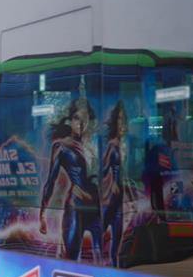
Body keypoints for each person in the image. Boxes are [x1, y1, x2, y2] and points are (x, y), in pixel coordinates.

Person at [39, 98, 101, 262]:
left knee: (102, 260)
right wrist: (43, 214)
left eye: (85, 119)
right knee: (71, 259)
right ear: (70, 120)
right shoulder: (62, 146)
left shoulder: (94, 146)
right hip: (76, 207)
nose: (81, 123)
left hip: (97, 208)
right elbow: (50, 181)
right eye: (77, 119)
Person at [101, 101, 127, 267]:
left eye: (124, 119)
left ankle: (114, 267)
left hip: (122, 197)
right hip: (112, 197)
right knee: (103, 229)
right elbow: (102, 170)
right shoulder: (112, 145)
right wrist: (111, 184)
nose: (122, 123)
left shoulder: (126, 144)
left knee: (118, 236)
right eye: (119, 119)